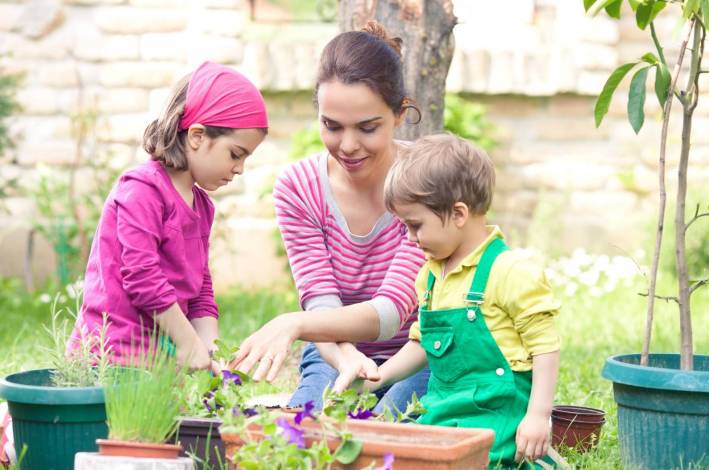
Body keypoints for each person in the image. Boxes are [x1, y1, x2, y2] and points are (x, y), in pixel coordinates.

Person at [232, 21, 430, 412]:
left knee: (385, 431)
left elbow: (391, 313)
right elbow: (321, 304)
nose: (349, 146)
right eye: (332, 126)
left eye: (368, 128)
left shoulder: (429, 181)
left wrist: (293, 324)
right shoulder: (299, 187)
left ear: (400, 114)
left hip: (419, 355)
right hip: (333, 351)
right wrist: (344, 358)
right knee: (309, 435)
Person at [362, 133, 562, 468]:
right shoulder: (430, 275)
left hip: (498, 419)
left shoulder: (509, 270)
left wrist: (538, 416)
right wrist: (379, 378)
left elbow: (545, 346)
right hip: (443, 413)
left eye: (415, 225)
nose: (410, 238)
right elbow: (425, 342)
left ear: (458, 213)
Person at [70, 61, 269, 369]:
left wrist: (209, 352)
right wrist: (188, 343)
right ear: (197, 136)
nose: (240, 168)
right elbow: (142, 277)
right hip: (110, 358)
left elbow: (200, 286)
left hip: (161, 360)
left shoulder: (202, 206)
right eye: (235, 154)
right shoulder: (142, 189)